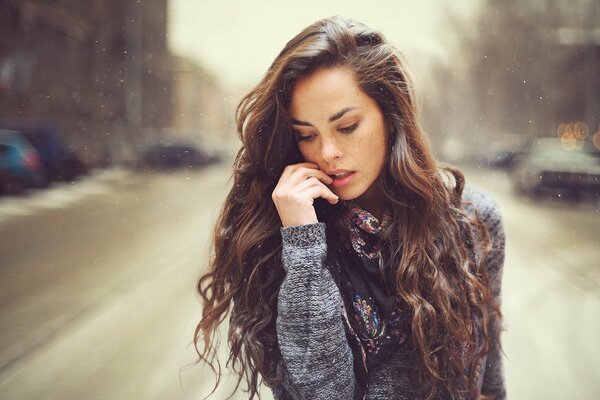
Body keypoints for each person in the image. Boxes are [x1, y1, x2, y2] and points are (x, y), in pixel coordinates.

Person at [194, 16, 505, 400]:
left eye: (347, 126)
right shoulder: (277, 235)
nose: (327, 152)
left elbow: (488, 380)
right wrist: (303, 246)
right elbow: (323, 393)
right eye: (306, 135)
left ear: (392, 116)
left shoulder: (472, 221)